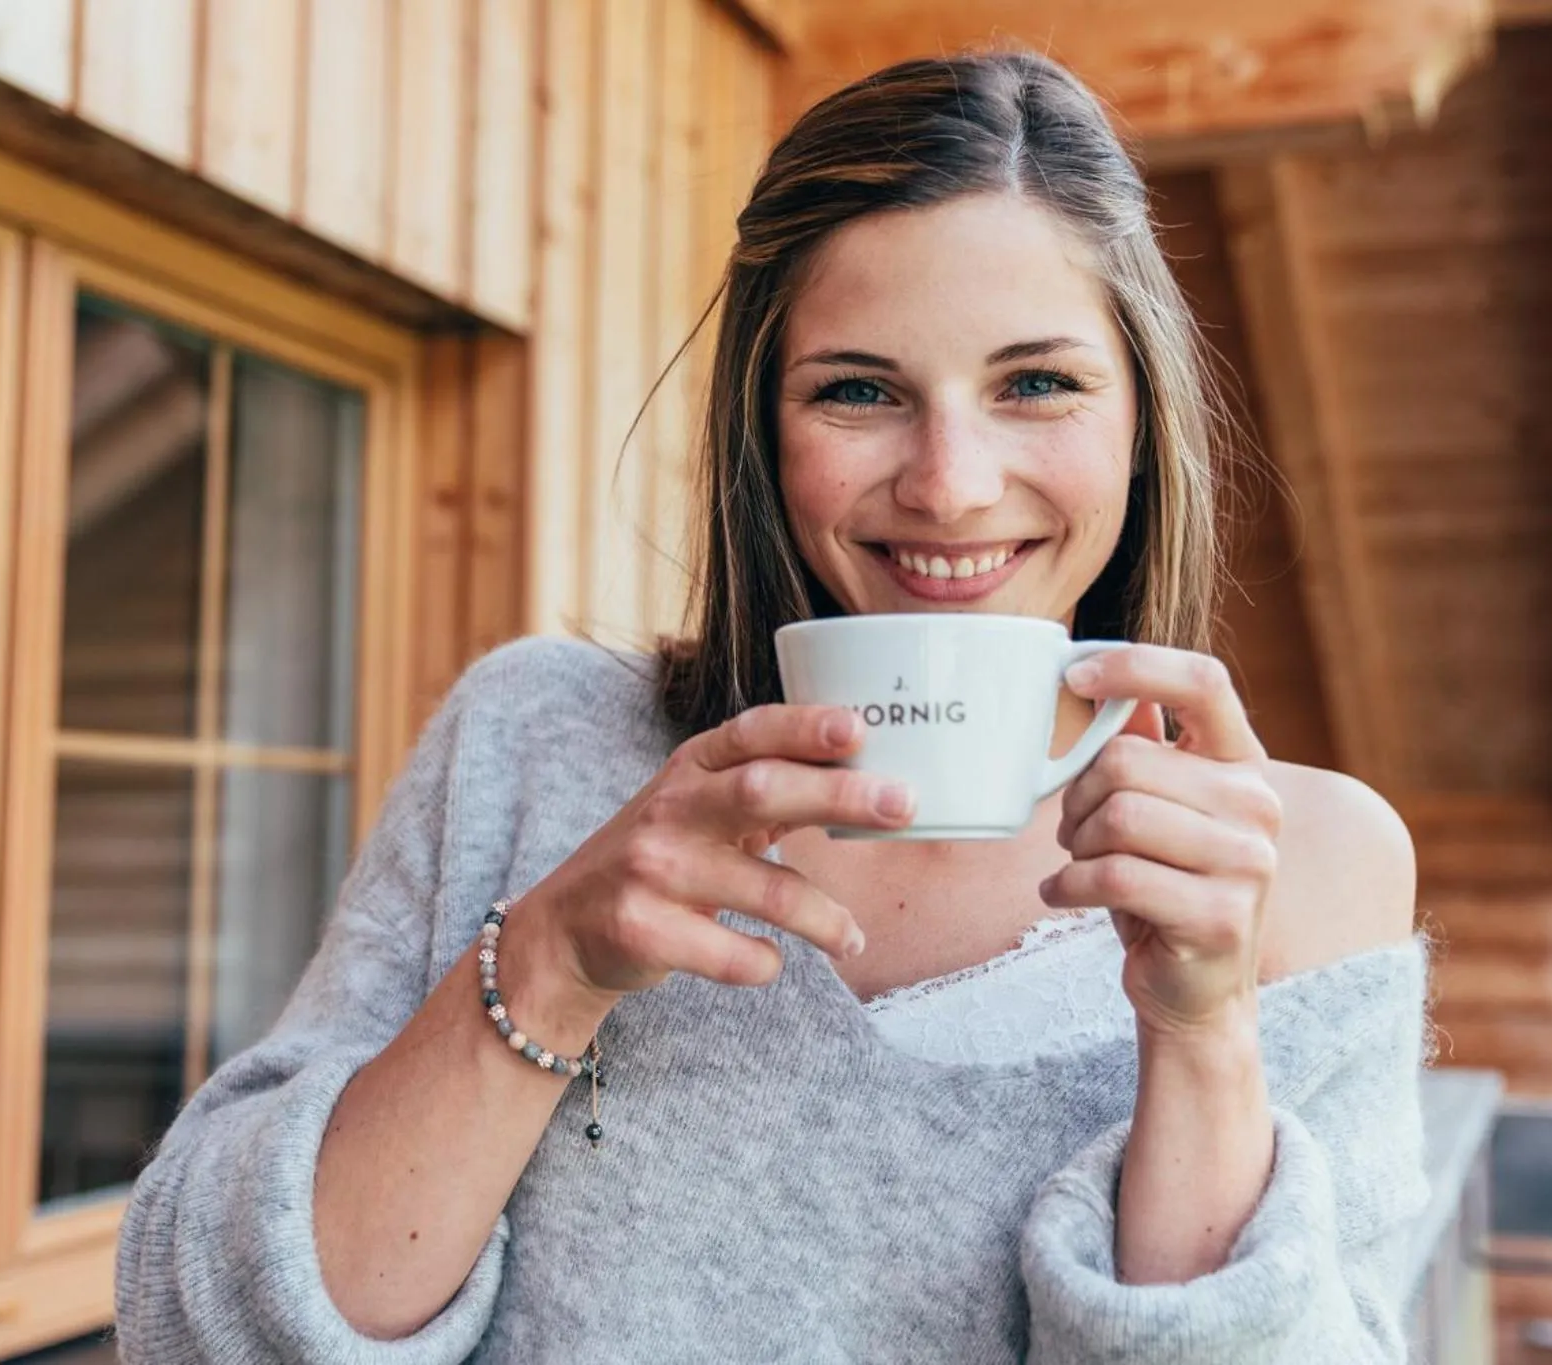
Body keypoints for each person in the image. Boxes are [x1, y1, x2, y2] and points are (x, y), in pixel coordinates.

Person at [115, 49, 1427, 1364]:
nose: (951, 487)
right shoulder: (536, 739)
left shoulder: (1302, 862)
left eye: (1038, 384)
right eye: (859, 390)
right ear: (763, 423)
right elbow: (198, 1325)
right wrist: (553, 968)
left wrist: (1200, 1034)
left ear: (1143, 417)